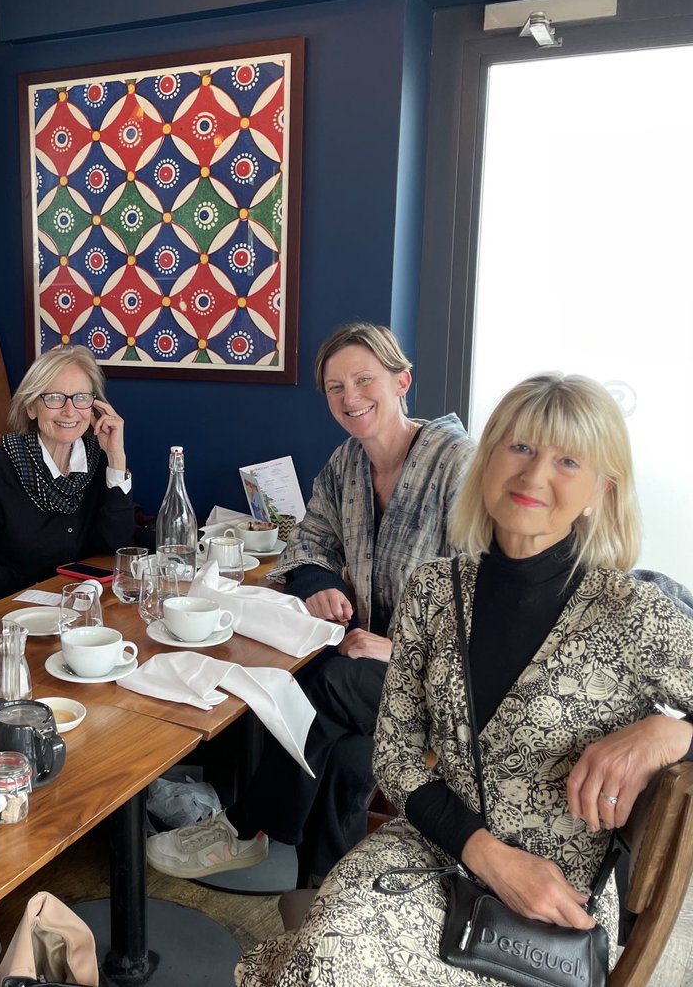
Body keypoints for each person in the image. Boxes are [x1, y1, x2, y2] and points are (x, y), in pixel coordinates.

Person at [236, 372, 693, 986]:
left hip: (553, 894)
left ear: (600, 491)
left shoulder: (633, 613)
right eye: (520, 448)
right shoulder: (435, 590)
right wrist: (487, 854)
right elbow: (396, 759)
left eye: (566, 459)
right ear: (487, 460)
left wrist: (669, 734)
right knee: (325, 959)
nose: (534, 477)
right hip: (430, 848)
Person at [147, 323, 473, 885]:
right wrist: (323, 584)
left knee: (328, 685)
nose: (350, 398)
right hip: (367, 664)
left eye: (365, 380)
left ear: (403, 382)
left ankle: (244, 828)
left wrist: (398, 647)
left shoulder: (456, 464)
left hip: (448, 676)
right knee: (347, 757)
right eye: (334, 386)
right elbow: (307, 541)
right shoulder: (347, 464)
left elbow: (487, 591)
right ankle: (322, 893)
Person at [0, 345, 134, 609]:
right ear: (31, 408)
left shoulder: (99, 458)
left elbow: (117, 548)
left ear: (95, 406)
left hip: (84, 608)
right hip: (17, 615)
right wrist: (46, 593)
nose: (70, 411)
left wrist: (117, 458)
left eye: (81, 397)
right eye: (55, 398)